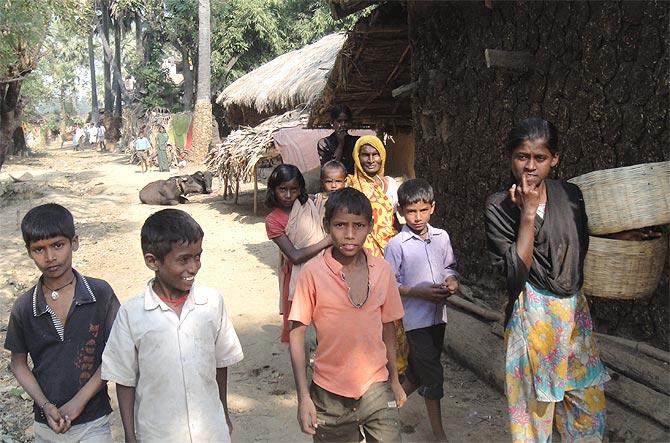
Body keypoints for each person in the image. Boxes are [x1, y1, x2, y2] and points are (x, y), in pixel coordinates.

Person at [485, 118, 610, 442]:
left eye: (539, 158)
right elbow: (515, 273)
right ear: (509, 157)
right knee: (534, 420)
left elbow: (578, 242)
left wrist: (628, 234)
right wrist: (526, 214)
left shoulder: (570, 195)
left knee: (587, 410)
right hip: (532, 318)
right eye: (521, 157)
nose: (529, 166)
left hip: (573, 318)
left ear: (554, 159)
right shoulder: (499, 206)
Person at [101, 209, 244, 443]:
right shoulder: (132, 314)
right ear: (152, 261)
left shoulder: (211, 303)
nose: (194, 267)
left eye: (198, 256)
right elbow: (124, 379)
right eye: (183, 259)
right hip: (158, 434)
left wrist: (224, 414)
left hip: (210, 430)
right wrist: (129, 435)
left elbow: (220, 364)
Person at [288, 187, 406, 442]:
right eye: (340, 225)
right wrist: (303, 398)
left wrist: (394, 381)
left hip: (376, 386)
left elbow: (388, 329)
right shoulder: (313, 273)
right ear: (326, 225)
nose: (350, 235)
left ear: (370, 226)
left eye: (358, 226)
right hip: (328, 394)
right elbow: (296, 334)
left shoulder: (382, 270)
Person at [4, 203, 120, 442]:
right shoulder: (25, 306)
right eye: (39, 249)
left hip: (93, 422)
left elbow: (117, 352)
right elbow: (18, 364)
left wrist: (79, 401)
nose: (50, 257)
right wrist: (45, 405)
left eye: (58, 245)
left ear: (74, 242)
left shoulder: (99, 293)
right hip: (46, 424)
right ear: (28, 251)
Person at [384, 179, 458, 442]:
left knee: (418, 371)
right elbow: (390, 284)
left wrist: (452, 282)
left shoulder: (442, 237)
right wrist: (419, 292)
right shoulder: (396, 245)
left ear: (432, 208)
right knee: (433, 375)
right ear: (400, 211)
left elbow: (449, 266)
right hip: (415, 320)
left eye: (423, 210)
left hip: (439, 317)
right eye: (411, 211)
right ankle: (439, 434)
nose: (417, 217)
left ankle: (383, 409)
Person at [347, 135, 408, 375]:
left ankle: (396, 365)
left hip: (390, 254)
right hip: (364, 255)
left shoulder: (390, 184)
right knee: (367, 310)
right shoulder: (351, 185)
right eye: (365, 155)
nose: (371, 160)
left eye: (375, 155)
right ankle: (367, 364)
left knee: (392, 311)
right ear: (357, 157)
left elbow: (399, 219)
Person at [265, 164, 332, 343]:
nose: (288, 195)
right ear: (273, 189)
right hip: (297, 276)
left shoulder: (309, 203)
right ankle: (302, 366)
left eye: (294, 189)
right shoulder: (273, 220)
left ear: (300, 189)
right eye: (282, 189)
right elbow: (294, 256)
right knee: (300, 328)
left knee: (326, 323)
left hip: (323, 270)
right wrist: (326, 242)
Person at [316, 104, 359, 175]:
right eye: (339, 121)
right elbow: (330, 169)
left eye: (346, 121)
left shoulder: (356, 142)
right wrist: (341, 144)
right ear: (332, 123)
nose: (343, 124)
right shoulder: (324, 143)